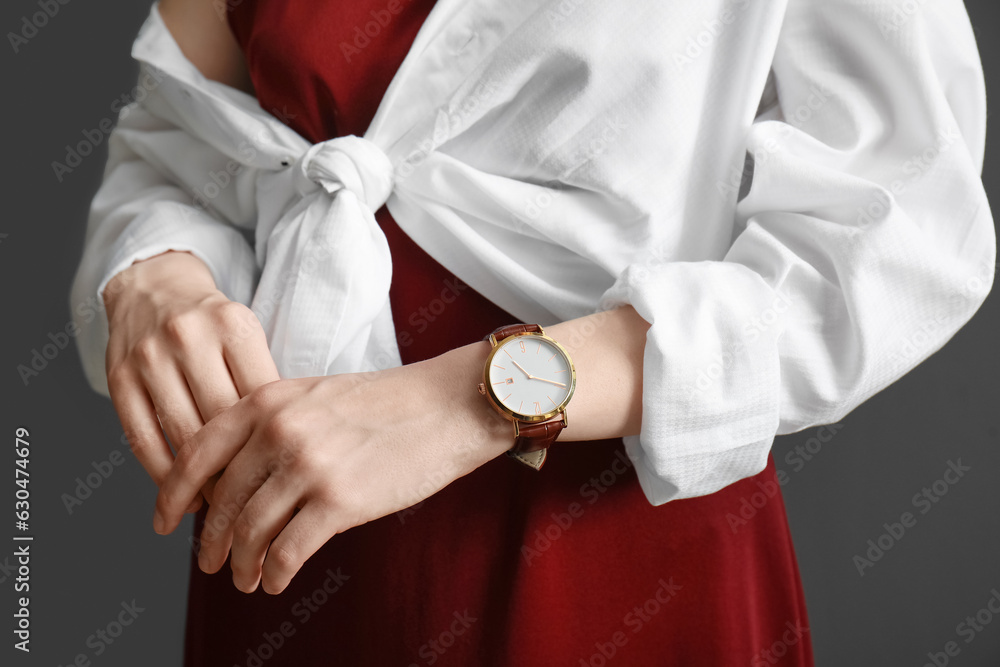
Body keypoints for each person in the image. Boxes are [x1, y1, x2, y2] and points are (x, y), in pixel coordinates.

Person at [70, 0, 994, 664]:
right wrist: (155, 271)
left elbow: (901, 236)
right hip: (282, 545)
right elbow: (181, 137)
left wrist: (471, 398)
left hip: (602, 549)